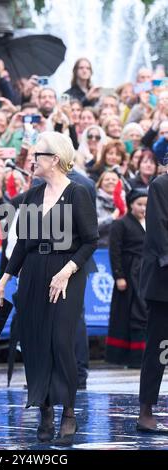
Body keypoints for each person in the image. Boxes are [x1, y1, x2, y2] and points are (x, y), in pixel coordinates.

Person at [0, 131, 98, 445]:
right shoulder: (32, 195)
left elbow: (90, 241)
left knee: (60, 341)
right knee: (35, 342)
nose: (32, 159)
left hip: (67, 273)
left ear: (54, 159)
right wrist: (4, 281)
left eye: (37, 154)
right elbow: (22, 244)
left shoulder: (78, 192)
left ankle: (68, 412)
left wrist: (66, 271)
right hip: (34, 273)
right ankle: (45, 410)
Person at [137, 157, 168, 434]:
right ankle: (145, 409)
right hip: (163, 283)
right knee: (158, 349)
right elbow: (159, 234)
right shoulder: (161, 184)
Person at [106, 189, 148, 368]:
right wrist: (119, 276)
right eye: (139, 204)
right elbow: (114, 251)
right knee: (130, 314)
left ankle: (145, 355)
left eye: (146, 205)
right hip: (130, 274)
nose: (143, 209)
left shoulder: (152, 223)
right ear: (131, 204)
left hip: (147, 274)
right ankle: (130, 357)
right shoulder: (120, 224)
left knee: (145, 313)